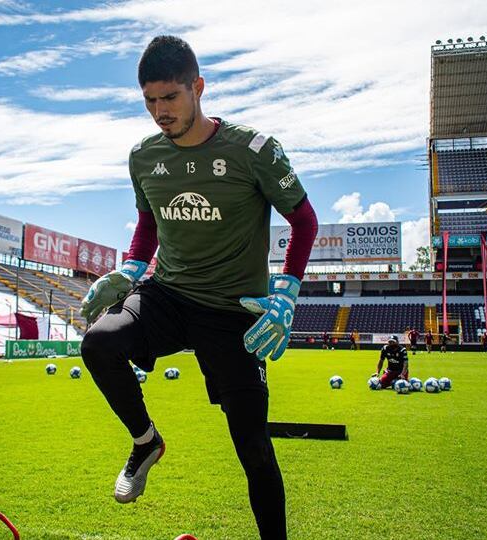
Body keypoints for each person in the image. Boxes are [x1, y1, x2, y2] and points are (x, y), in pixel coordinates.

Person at [79, 36, 317, 540]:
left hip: (233, 311)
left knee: (254, 447)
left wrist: (287, 291)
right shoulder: (143, 157)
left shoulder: (254, 150)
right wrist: (130, 270)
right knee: (99, 342)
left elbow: (304, 220)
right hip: (168, 294)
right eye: (150, 100)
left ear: (198, 88)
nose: (160, 111)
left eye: (170, 97)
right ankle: (146, 442)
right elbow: (149, 222)